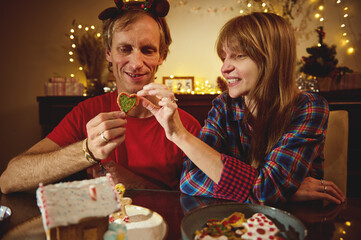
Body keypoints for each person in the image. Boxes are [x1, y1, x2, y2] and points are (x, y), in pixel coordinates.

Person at [139, 12, 345, 204]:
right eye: (224, 57)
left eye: (238, 56)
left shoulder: (308, 107)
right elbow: (190, 179)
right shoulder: (224, 106)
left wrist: (182, 136)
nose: (224, 68)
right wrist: (284, 192)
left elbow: (268, 190)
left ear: (272, 59)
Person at [0, 0, 201, 194]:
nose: (136, 63)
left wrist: (134, 183)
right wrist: (88, 150)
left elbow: (198, 205)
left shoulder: (185, 126)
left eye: (147, 50)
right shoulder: (86, 112)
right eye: (125, 49)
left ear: (161, 56)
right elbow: (9, 180)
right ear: (108, 53)